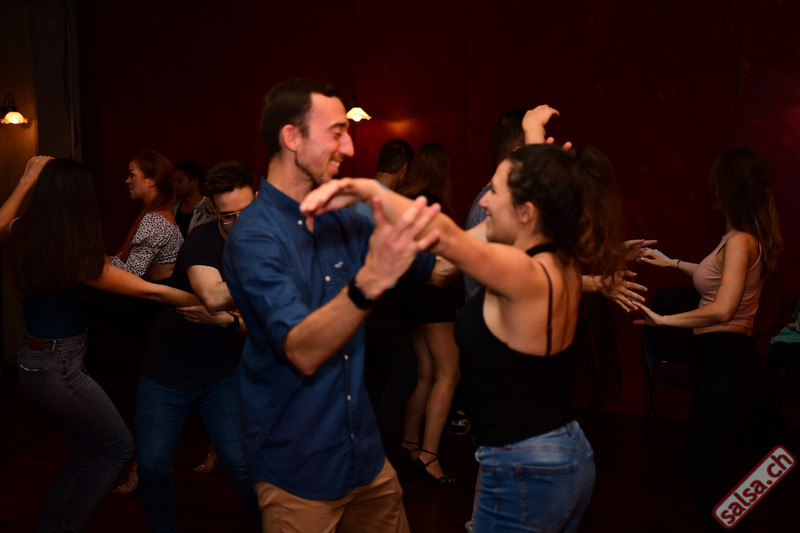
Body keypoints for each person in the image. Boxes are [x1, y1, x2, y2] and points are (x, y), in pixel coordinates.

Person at [301, 142, 628, 533]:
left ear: (527, 211)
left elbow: (446, 239)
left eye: (495, 192)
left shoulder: (517, 270)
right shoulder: (561, 261)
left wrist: (370, 191)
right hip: (562, 452)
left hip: (524, 466)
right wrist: (533, 135)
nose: (484, 202)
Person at [223, 79, 449, 532]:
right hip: (297, 471)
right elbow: (303, 350)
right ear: (292, 137)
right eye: (337, 133)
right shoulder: (255, 236)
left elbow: (439, 268)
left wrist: (519, 227)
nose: (349, 147)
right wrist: (372, 279)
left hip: (364, 455)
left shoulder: (341, 216)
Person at [0, 157, 198, 532]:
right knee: (118, 448)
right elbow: (151, 292)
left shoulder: (26, 232)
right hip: (59, 368)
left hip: (35, 360)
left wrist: (26, 180)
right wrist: (212, 301)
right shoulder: (74, 256)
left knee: (82, 457)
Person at [634, 146, 782, 532]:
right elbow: (716, 278)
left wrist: (663, 320)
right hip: (720, 361)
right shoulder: (736, 237)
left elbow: (723, 309)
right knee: (704, 463)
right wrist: (671, 263)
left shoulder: (741, 240)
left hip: (729, 362)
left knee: (705, 465)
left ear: (726, 188)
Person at [135, 160, 260, 531]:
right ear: (214, 211)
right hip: (167, 372)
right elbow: (214, 296)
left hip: (222, 374)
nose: (240, 224)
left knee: (240, 463)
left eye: (247, 212)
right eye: (229, 217)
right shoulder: (202, 241)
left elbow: (269, 329)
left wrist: (230, 322)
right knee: (153, 466)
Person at [394, 142, 462, 486]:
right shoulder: (432, 206)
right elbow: (445, 259)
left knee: (425, 372)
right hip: (433, 297)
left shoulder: (404, 202)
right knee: (449, 373)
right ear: (441, 171)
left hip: (407, 297)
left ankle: (409, 444)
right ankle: (430, 454)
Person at [112, 150, 183, 281]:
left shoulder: (155, 220)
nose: (127, 180)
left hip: (158, 291)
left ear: (151, 181)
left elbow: (130, 274)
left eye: (132, 175)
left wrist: (98, 262)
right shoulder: (156, 213)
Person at [171, 160, 215, 237]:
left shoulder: (211, 207)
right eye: (174, 180)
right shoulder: (174, 207)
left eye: (179, 180)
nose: (175, 184)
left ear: (194, 182)